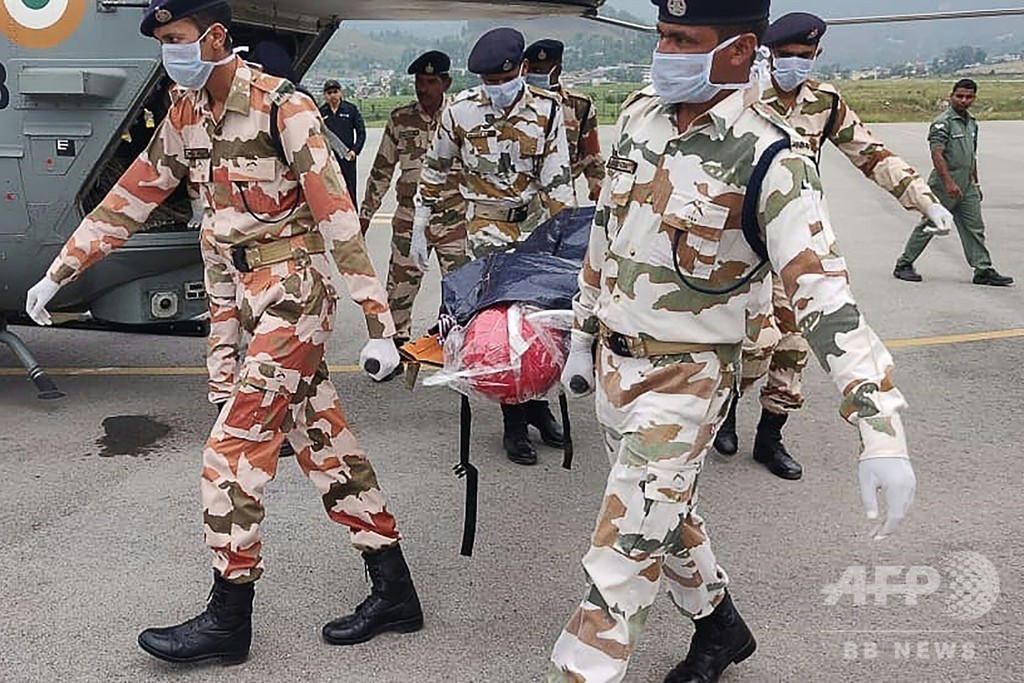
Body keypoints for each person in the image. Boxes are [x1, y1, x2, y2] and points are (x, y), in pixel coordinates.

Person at [25, 0, 422, 664]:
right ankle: (396, 589)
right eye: (161, 42)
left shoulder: (280, 107)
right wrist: (59, 272)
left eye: (176, 38)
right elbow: (129, 198)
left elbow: (337, 216)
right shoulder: (186, 114)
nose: (168, 52)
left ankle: (228, 619)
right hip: (247, 298)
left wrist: (380, 324)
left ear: (214, 36)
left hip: (295, 293)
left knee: (230, 457)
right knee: (325, 445)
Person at [550, 2, 917, 681]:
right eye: (662, 36)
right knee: (670, 513)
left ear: (742, 51)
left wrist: (880, 427)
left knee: (621, 557)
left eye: (684, 40)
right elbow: (605, 235)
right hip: (615, 368)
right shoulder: (638, 116)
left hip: (688, 380)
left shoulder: (771, 157)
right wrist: (582, 332)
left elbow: (826, 299)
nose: (665, 52)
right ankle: (721, 629)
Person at [713, 10, 957, 480]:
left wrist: (923, 200)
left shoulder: (825, 103)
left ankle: (771, 436)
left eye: (803, 56)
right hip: (739, 246)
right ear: (767, 54)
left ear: (817, 55)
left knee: (792, 345)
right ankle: (725, 413)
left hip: (796, 244)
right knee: (744, 343)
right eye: (785, 56)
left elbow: (871, 153)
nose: (794, 64)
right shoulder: (741, 99)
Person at [413, 27, 576, 466]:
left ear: (522, 70)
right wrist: (421, 216)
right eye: (488, 81)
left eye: (503, 80)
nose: (497, 89)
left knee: (543, 322)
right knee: (502, 331)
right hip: (484, 232)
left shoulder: (547, 111)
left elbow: (558, 178)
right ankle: (513, 425)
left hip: (535, 230)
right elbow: (436, 166)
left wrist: (570, 239)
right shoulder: (460, 112)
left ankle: (540, 407)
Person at [359, 51, 469, 351]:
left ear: (446, 82)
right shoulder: (401, 119)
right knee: (400, 287)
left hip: (453, 219)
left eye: (431, 81)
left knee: (461, 287)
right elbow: (382, 169)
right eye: (419, 81)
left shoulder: (461, 117)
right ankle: (393, 345)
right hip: (409, 218)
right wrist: (365, 214)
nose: (423, 88)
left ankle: (457, 345)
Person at [894, 79, 1014, 286]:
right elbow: (937, 154)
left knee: (974, 227)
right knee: (931, 222)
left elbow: (971, 156)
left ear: (974, 98)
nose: (963, 101)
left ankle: (982, 269)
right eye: (959, 96)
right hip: (944, 184)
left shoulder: (971, 123)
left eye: (968, 97)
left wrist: (975, 183)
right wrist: (948, 182)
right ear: (952, 96)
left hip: (966, 185)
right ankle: (904, 264)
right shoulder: (943, 123)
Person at [524, 39, 605, 202]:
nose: (533, 75)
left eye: (539, 70)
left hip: (562, 195)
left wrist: (599, 193)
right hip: (525, 198)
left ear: (557, 70)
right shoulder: (519, 105)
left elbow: (592, 156)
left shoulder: (579, 106)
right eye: (530, 70)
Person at [320, 79, 367, 209]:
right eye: (329, 93)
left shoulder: (351, 109)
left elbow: (361, 132)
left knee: (350, 191)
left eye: (335, 92)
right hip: (330, 160)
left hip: (347, 157)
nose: (332, 95)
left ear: (340, 92)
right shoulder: (321, 112)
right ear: (325, 95)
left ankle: (354, 222)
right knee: (331, 192)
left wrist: (355, 151)